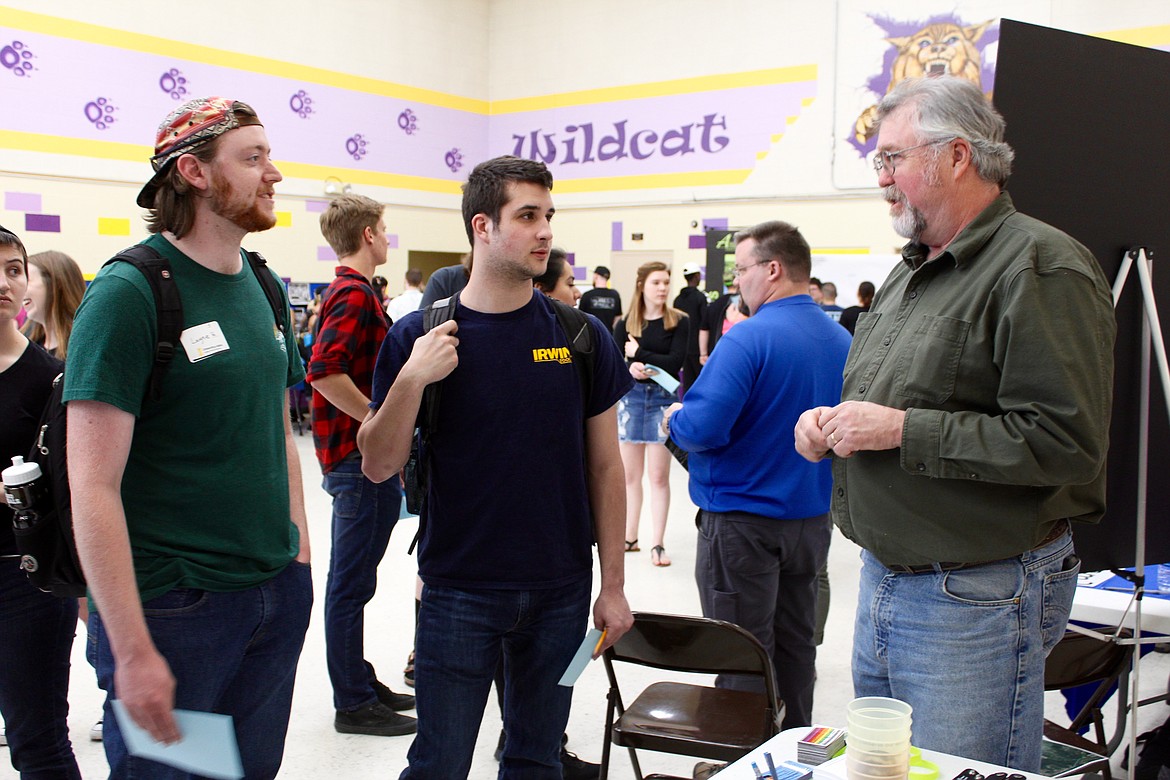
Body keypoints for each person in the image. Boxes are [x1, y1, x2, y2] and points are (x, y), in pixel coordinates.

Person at [794, 76, 1115, 770]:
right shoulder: (913, 273)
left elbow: (1066, 445)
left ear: (957, 157)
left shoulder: (1041, 267)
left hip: (973, 597)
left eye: (891, 159)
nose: (881, 180)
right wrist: (829, 425)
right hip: (885, 578)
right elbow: (891, 399)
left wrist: (902, 431)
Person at [358, 155, 634, 780]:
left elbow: (606, 470)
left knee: (537, 759)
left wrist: (611, 586)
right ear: (482, 226)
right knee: (438, 762)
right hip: (457, 591)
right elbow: (378, 466)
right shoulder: (417, 337)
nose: (545, 232)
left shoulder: (581, 335)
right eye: (527, 216)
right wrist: (411, 380)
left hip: (562, 594)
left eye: (549, 217)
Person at [64, 96, 313, 778]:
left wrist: (299, 572)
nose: (275, 175)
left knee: (246, 772)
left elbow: (278, 434)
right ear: (195, 173)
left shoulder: (263, 286)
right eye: (255, 158)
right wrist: (132, 646)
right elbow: (92, 486)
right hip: (176, 610)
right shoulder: (129, 292)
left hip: (271, 595)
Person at [664, 221, 850, 730]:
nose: (737, 284)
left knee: (743, 652)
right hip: (811, 519)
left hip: (742, 524)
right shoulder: (841, 338)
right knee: (796, 645)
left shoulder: (748, 339)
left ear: (772, 270)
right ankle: (793, 752)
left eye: (741, 270)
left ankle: (745, 757)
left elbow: (702, 427)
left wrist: (672, 419)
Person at [307, 194, 417, 737]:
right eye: (385, 229)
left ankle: (358, 678)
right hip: (356, 460)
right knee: (349, 586)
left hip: (357, 458)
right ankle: (351, 700)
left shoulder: (351, 291)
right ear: (369, 234)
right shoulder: (352, 293)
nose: (388, 238)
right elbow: (323, 370)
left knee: (357, 583)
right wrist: (377, 419)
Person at [0, 226, 83, 779]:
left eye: (13, 268)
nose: (6, 281)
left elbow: (75, 487)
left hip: (24, 578)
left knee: (38, 739)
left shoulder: (52, 378)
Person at [613, 261, 688, 567]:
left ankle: (657, 543)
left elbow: (674, 363)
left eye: (666, 282)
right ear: (642, 284)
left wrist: (638, 354)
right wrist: (628, 365)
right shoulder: (625, 323)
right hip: (631, 399)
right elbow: (615, 362)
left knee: (658, 477)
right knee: (630, 477)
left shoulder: (678, 321)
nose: (663, 288)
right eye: (657, 282)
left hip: (662, 400)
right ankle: (630, 537)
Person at [20, 250, 85, 360]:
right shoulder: (26, 342)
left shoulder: (85, 344)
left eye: (28, 280)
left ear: (56, 284)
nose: (20, 289)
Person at [673, 262, 708, 392]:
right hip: (697, 347)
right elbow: (704, 323)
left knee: (687, 383)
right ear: (697, 276)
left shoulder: (678, 299)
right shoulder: (700, 298)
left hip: (682, 346)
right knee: (701, 381)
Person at [578, 265, 622, 333]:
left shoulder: (587, 295)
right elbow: (618, 318)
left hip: (591, 336)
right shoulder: (615, 295)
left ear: (596, 276)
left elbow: (580, 317)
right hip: (609, 335)